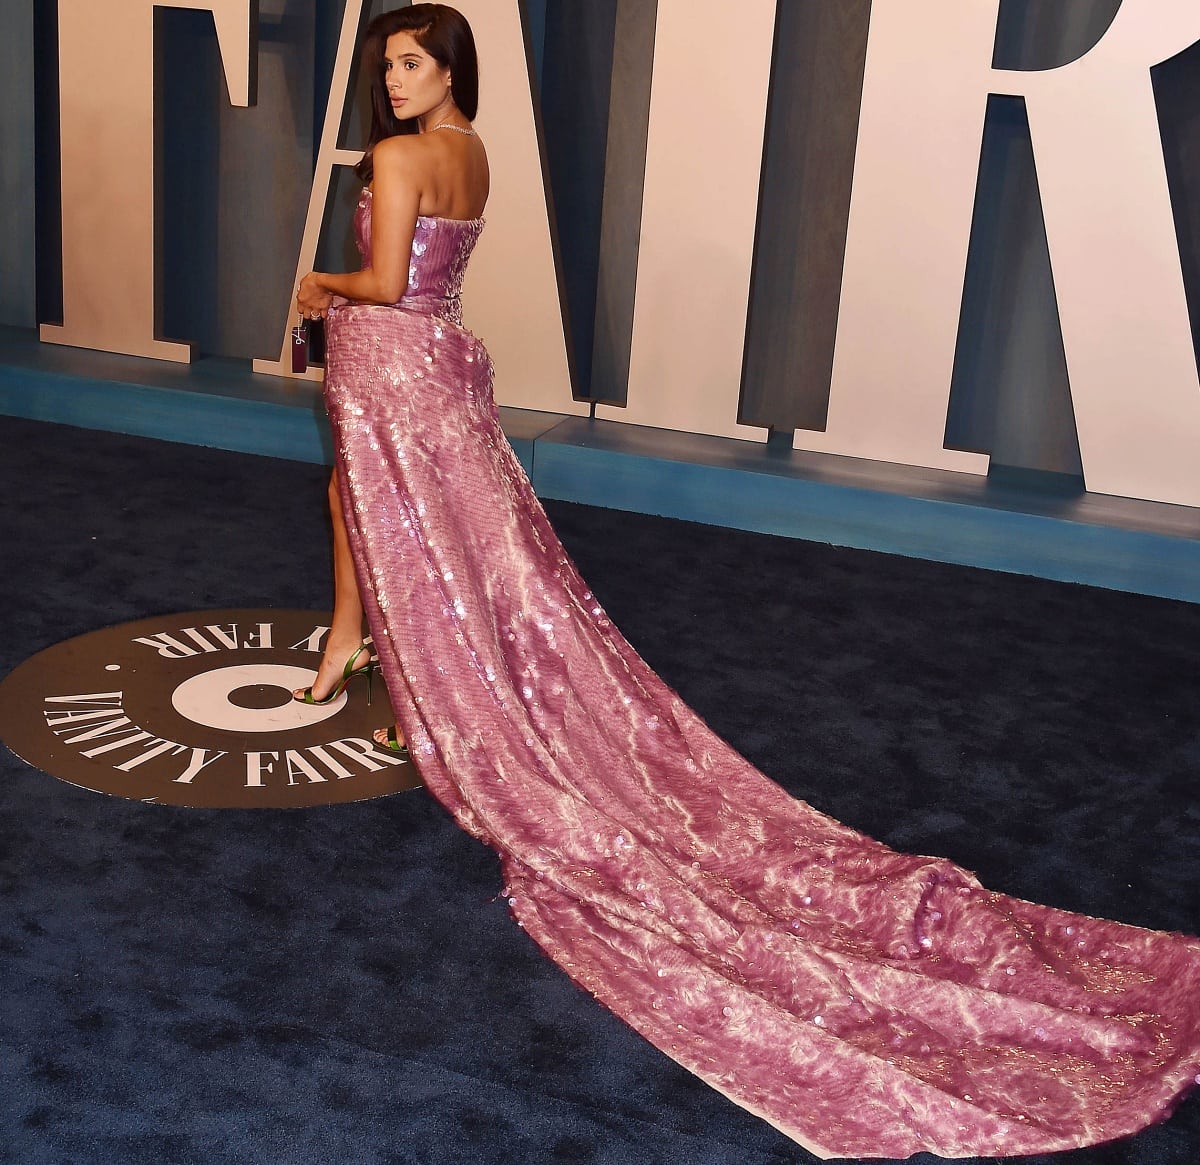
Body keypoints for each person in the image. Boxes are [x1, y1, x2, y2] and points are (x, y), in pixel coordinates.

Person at [290, 6, 1200, 1158]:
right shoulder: (475, 152)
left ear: (450, 66)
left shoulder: (397, 154)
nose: (398, 80)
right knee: (395, 515)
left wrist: (322, 282)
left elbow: (381, 275)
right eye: (389, 66)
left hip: (391, 359)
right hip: (444, 364)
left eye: (412, 62)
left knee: (412, 527)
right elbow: (435, 276)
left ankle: (409, 663)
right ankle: (344, 636)